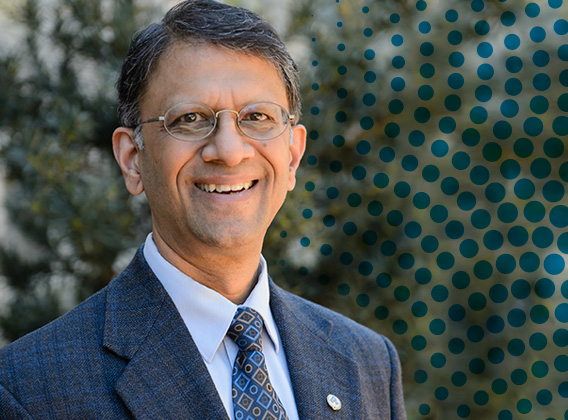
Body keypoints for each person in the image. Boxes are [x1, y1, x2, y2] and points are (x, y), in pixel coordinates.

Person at [0, 1, 406, 419]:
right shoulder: (28, 391)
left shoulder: (367, 362)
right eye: (191, 118)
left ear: (292, 156)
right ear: (132, 159)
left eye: (257, 116)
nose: (229, 151)